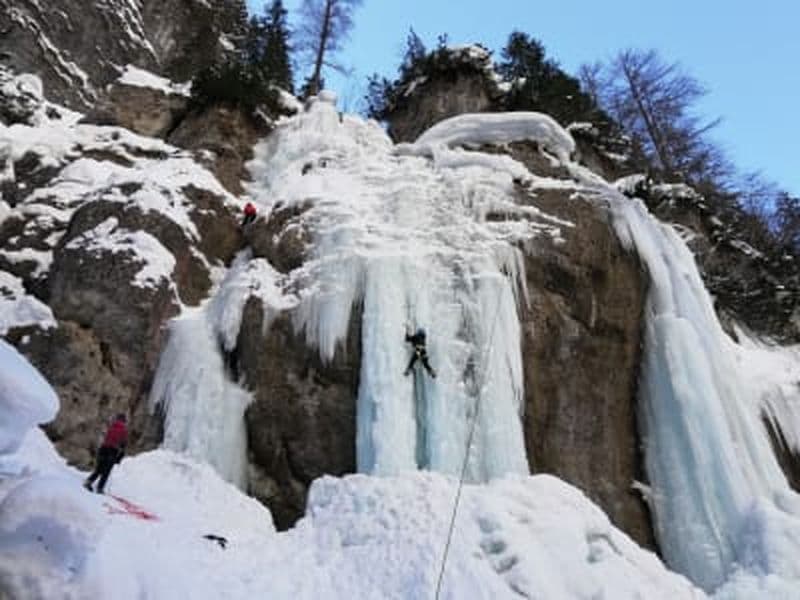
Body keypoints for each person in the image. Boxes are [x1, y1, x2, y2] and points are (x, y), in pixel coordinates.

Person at [84, 413, 128, 494]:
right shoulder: (124, 431)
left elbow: (105, 437)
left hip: (103, 449)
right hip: (112, 451)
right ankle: (100, 488)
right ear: (124, 421)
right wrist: (119, 457)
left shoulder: (111, 427)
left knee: (99, 469)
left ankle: (89, 481)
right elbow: (123, 445)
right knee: (106, 471)